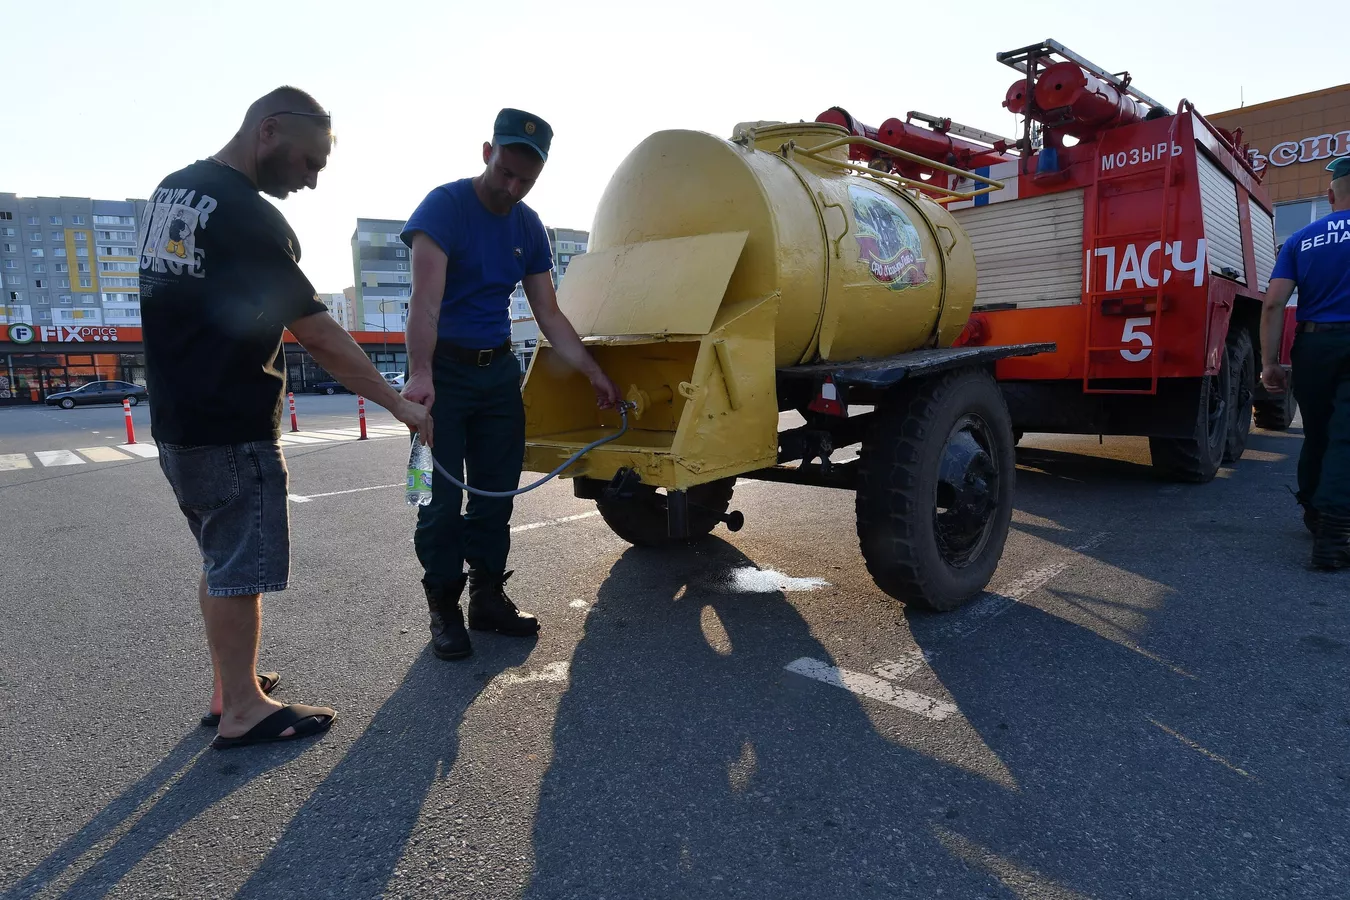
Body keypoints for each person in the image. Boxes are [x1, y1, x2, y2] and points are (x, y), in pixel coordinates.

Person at [140, 87, 433, 748]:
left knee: (222, 563)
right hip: (230, 424)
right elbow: (320, 336)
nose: (312, 179)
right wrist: (399, 406)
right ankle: (243, 710)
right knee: (241, 569)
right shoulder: (249, 217)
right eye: (308, 162)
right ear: (268, 132)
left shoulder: (174, 193)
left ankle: (229, 688)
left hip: (179, 424)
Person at [400, 108, 620, 661]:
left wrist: (594, 371)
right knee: (438, 501)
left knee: (495, 494)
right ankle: (444, 607)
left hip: (497, 374)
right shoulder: (443, 208)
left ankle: (488, 597)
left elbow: (548, 312)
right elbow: (424, 304)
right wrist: (420, 375)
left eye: (526, 180)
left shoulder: (528, 226)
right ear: (486, 153)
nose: (512, 187)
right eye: (505, 172)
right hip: (442, 373)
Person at [1260, 155, 1350, 570]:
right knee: (1346, 439)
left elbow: (1274, 303)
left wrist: (1269, 363)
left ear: (1331, 194)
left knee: (1316, 434)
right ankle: (1334, 536)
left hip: (1313, 347)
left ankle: (1314, 512)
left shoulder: (1301, 239)